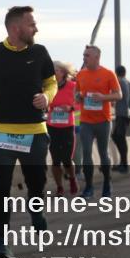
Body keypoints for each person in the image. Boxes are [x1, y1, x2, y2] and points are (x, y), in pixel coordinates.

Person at [0, 6, 57, 258]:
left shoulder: (39, 52)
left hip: (35, 131)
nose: (36, 28)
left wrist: (47, 97)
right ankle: (1, 240)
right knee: (2, 187)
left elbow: (51, 81)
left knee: (36, 182)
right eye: (32, 24)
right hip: (1, 130)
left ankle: (36, 210)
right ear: (16, 28)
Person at [74, 45, 122, 199]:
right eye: (83, 55)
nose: (84, 58)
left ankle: (107, 185)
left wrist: (103, 98)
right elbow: (77, 93)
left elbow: (118, 95)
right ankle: (88, 188)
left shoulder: (108, 74)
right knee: (87, 153)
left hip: (103, 120)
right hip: (86, 121)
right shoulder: (81, 74)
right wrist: (79, 97)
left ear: (96, 57)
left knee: (103, 153)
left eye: (87, 55)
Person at [46, 61, 79, 196]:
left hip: (67, 126)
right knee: (55, 160)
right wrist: (48, 106)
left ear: (64, 72)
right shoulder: (48, 87)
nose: (54, 72)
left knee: (67, 159)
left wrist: (70, 108)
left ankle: (72, 178)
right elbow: (43, 101)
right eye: (53, 70)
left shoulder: (73, 86)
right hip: (52, 126)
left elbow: (79, 104)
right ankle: (59, 186)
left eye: (57, 70)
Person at [111, 64, 130, 174]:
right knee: (116, 136)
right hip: (125, 114)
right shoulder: (128, 82)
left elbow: (121, 97)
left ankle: (124, 164)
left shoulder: (121, 82)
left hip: (123, 114)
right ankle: (122, 162)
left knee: (119, 137)